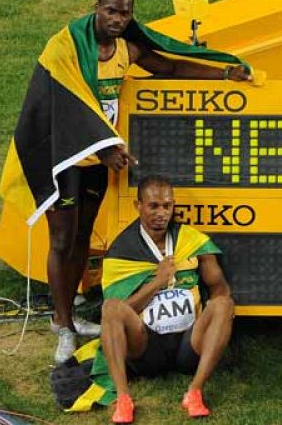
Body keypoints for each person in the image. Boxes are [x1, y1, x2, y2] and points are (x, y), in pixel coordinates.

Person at [0, 0, 249, 364]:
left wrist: (223, 75)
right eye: (111, 11)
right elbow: (62, 104)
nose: (117, 19)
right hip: (65, 159)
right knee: (62, 238)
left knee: (82, 234)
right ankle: (62, 325)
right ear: (96, 7)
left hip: (98, 161)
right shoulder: (64, 47)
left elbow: (168, 65)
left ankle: (69, 313)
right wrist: (106, 146)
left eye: (125, 13)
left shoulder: (125, 49)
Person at [99, 175, 233, 423]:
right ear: (138, 206)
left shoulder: (191, 242)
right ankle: (124, 398)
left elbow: (219, 289)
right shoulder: (122, 251)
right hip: (146, 345)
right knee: (110, 308)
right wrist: (158, 282)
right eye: (153, 206)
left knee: (224, 303)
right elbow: (119, 313)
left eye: (167, 206)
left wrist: (212, 321)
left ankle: (194, 391)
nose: (161, 213)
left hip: (188, 342)